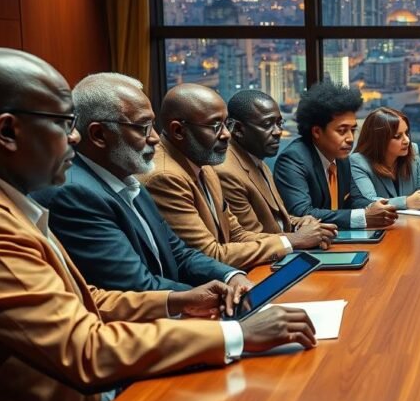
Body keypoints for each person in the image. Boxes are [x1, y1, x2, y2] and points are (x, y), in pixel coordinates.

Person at [0, 48, 315, 401]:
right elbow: (84, 348)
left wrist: (180, 301)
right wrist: (235, 334)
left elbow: (88, 299)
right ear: (7, 132)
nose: (74, 136)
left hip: (101, 398)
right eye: (63, 123)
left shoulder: (13, 203)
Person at [32, 73, 254, 293]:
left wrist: (230, 276)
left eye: (153, 125)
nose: (156, 138)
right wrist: (217, 297)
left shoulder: (127, 178)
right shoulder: (75, 193)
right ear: (99, 134)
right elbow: (136, 287)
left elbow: (179, 253)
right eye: (143, 127)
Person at [141, 84, 332, 270]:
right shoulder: (166, 177)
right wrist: (294, 240)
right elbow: (210, 254)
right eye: (216, 126)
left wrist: (300, 232)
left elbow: (236, 234)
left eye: (226, 124)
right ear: (178, 131)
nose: (226, 134)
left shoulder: (204, 163)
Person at [274, 82, 397, 228]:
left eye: (353, 130)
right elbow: (303, 213)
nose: (350, 138)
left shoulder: (341, 158)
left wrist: (377, 207)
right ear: (317, 132)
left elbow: (354, 199)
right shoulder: (293, 160)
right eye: (342, 131)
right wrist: (363, 216)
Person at [219, 90, 337, 242]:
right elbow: (250, 238)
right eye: (267, 124)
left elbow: (277, 222)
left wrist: (302, 223)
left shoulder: (256, 158)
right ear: (238, 129)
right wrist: (298, 238)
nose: (278, 132)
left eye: (279, 123)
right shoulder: (227, 171)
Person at [349, 107, 420, 210]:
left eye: (406, 133)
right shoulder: (358, 161)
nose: (407, 140)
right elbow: (369, 201)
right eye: (397, 136)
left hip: (413, 223)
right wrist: (406, 202)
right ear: (379, 140)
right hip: (381, 224)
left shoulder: (412, 150)